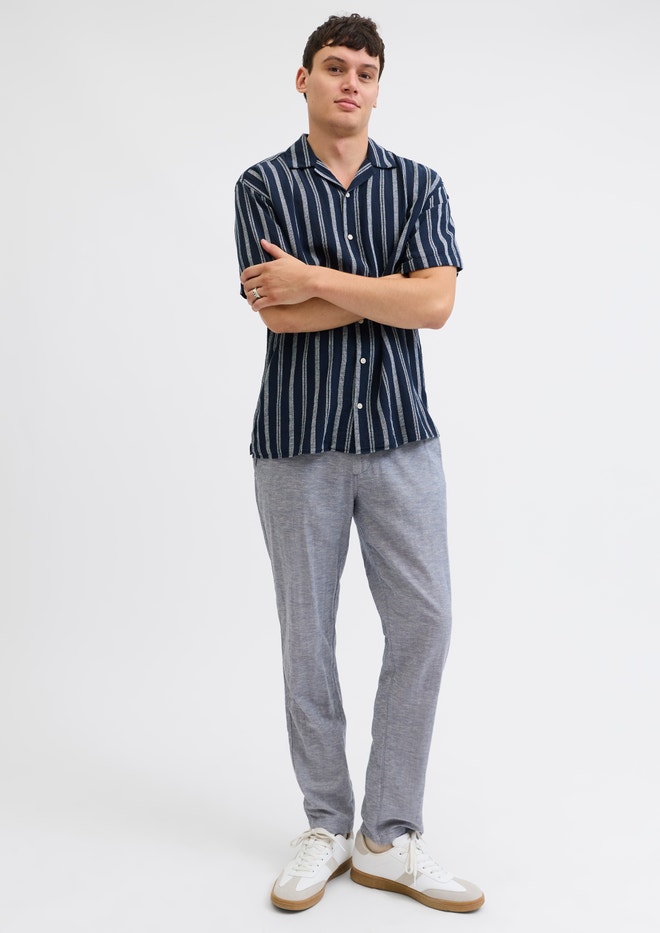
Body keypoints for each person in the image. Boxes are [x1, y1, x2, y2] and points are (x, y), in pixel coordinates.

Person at [234, 13, 484, 915]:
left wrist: (317, 277)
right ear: (303, 79)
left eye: (366, 71)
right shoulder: (262, 185)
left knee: (426, 621)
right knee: (308, 637)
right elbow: (278, 314)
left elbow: (437, 305)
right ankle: (326, 823)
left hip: (403, 441)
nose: (351, 82)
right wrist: (388, 290)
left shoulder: (418, 185)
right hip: (297, 442)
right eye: (335, 67)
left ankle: (388, 834)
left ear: (378, 88)